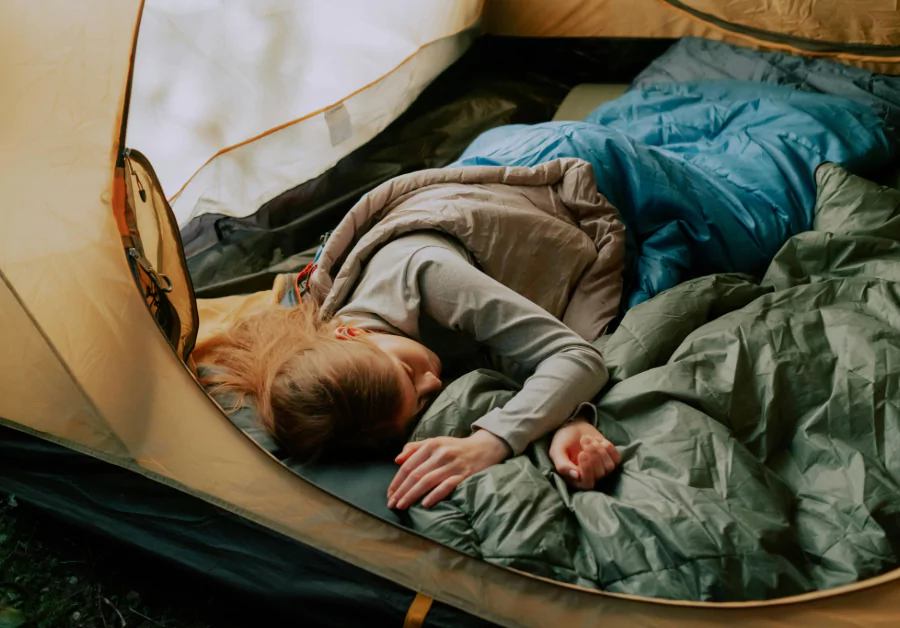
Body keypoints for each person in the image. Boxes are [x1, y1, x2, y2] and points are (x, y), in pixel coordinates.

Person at [196, 159, 625, 511]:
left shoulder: (428, 275)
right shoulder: (365, 366)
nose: (433, 383)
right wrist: (566, 418)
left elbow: (576, 354)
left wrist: (491, 440)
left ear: (347, 333)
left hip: (541, 180)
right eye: (421, 401)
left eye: (409, 372)